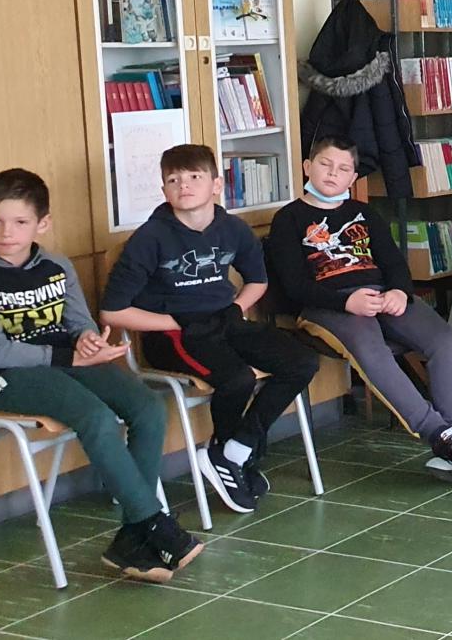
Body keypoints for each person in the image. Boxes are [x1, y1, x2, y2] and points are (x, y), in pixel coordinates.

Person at [0, 169, 201, 582]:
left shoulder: (57, 265)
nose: (7, 232)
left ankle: (133, 534)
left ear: (42, 223)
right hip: (8, 376)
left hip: (67, 363)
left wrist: (89, 342)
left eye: (20, 222)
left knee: (147, 406)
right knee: (95, 416)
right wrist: (70, 355)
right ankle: (153, 523)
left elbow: (79, 323)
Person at [102, 144, 319, 516]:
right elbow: (112, 312)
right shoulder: (151, 238)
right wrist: (175, 322)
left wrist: (235, 308)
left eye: (194, 177)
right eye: (174, 180)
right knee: (237, 379)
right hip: (173, 335)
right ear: (164, 190)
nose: (183, 185)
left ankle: (235, 451)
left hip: (225, 321)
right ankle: (228, 454)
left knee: (301, 361)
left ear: (216, 185)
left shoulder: (232, 228)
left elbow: (258, 281)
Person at [266, 137, 452, 483]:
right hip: (327, 304)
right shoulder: (288, 218)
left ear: (352, 178)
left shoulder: (365, 213)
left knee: (442, 337)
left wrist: (399, 291)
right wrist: (346, 302)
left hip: (381, 294)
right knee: (372, 347)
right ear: (307, 167)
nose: (333, 174)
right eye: (325, 164)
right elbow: (294, 286)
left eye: (343, 168)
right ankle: (438, 434)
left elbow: (394, 263)